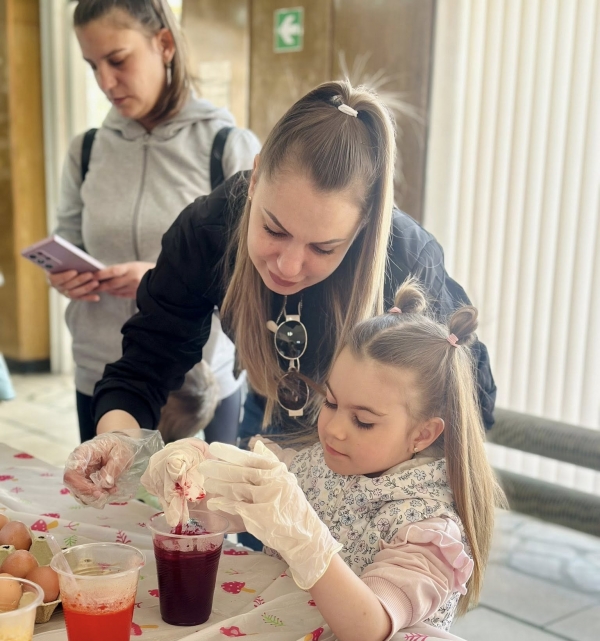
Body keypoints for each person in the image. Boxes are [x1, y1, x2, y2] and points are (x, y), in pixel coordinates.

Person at [63, 80, 497, 552]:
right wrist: (120, 441)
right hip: (272, 416)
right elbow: (147, 360)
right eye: (273, 229)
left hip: (381, 462)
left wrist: (376, 475)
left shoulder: (407, 258)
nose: (288, 266)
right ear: (254, 179)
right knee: (261, 569)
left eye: (323, 248)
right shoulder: (208, 230)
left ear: (364, 224)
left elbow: (462, 398)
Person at [196, 281, 504, 641]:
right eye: (330, 402)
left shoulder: (429, 531)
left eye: (363, 421)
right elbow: (223, 512)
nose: (334, 429)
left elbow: (366, 629)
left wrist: (305, 541)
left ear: (423, 434)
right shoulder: (313, 465)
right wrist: (195, 479)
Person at [49, 0, 260, 443]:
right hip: (103, 375)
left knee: (203, 492)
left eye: (117, 60)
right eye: (92, 66)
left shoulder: (226, 146)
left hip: (199, 384)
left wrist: (162, 280)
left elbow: (254, 274)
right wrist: (67, 274)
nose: (105, 82)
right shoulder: (86, 151)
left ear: (164, 44)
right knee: (104, 488)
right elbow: (69, 238)